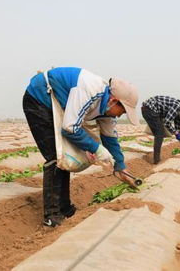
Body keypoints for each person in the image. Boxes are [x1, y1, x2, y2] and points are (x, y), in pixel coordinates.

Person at [23, 67, 140, 227]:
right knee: (55, 156)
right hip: (40, 99)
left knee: (65, 157)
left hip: (59, 107)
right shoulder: (91, 90)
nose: (121, 115)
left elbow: (110, 138)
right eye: (123, 110)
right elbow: (70, 128)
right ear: (113, 101)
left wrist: (120, 167)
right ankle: (52, 215)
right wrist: (97, 149)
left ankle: (65, 208)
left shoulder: (106, 110)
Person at [141, 96, 180, 164]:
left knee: (160, 132)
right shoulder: (177, 106)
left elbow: (178, 128)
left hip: (152, 111)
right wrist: (176, 133)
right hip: (149, 109)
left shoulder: (179, 112)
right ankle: (156, 160)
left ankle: (156, 159)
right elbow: (167, 122)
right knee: (159, 133)